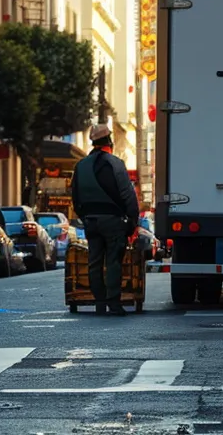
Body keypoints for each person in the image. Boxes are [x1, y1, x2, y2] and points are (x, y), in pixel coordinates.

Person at [72, 124, 140, 316]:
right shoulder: (115, 164)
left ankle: (100, 301)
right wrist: (132, 220)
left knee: (94, 261)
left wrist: (85, 218)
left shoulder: (81, 166)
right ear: (109, 141)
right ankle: (114, 302)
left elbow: (75, 198)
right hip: (112, 221)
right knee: (113, 261)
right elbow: (128, 195)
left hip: (91, 221)